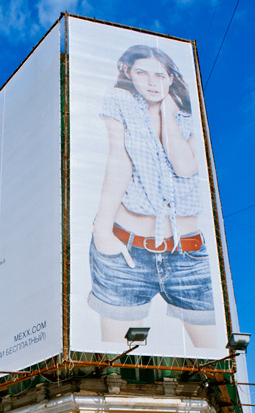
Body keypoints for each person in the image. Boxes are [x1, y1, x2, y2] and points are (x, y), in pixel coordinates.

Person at [89, 44, 216, 346]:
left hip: (189, 254)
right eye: (141, 73)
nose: (151, 82)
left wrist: (168, 116)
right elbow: (119, 160)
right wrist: (101, 230)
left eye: (159, 74)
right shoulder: (120, 102)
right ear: (129, 74)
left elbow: (186, 167)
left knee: (215, 360)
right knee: (116, 365)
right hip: (127, 250)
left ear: (172, 77)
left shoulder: (188, 115)